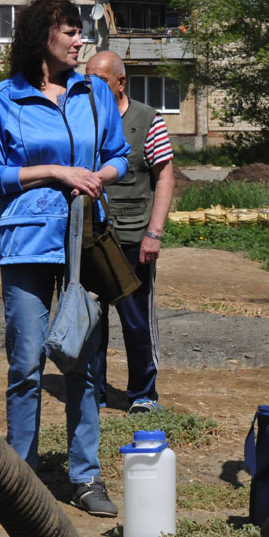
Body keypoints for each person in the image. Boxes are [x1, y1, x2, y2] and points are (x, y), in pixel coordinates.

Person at [0, 0, 130, 518]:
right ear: (43, 38)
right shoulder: (2, 100)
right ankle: (21, 479)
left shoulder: (95, 94)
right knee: (27, 363)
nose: (81, 41)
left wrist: (97, 177)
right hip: (27, 245)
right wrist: (54, 172)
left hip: (84, 246)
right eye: (71, 32)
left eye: (81, 32)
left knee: (81, 362)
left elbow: (119, 157)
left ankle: (85, 476)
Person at [84, 51, 175, 415]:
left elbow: (165, 177)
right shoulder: (81, 119)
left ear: (120, 82)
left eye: (100, 80)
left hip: (134, 238)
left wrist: (155, 232)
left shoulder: (147, 121)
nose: (91, 87)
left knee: (136, 321)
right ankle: (95, 390)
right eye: (87, 78)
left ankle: (143, 394)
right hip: (91, 238)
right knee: (91, 321)